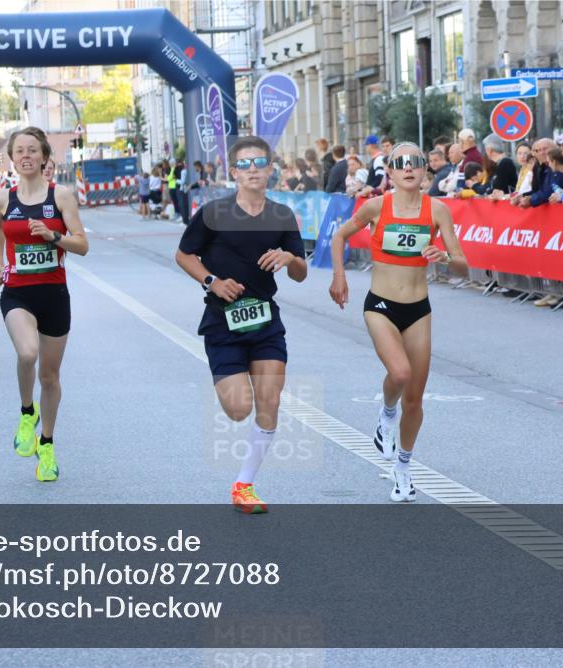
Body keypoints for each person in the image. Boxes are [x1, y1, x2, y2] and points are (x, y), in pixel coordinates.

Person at [328, 142, 468, 503]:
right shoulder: (377, 205)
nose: (409, 169)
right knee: (401, 374)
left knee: (416, 401)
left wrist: (444, 256)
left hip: (418, 309)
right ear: (389, 172)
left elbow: (463, 264)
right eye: (400, 164)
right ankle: (385, 413)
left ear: (425, 172)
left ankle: (403, 468)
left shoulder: (437, 210)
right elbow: (340, 235)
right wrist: (339, 277)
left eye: (416, 163)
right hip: (381, 306)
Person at [175, 136, 307, 514]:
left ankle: (244, 485)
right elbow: (184, 255)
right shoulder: (214, 213)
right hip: (223, 322)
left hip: (265, 320)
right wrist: (211, 281)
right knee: (238, 409)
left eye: (259, 162)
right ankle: (230, 380)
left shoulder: (282, 216)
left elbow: (300, 272)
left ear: (270, 169)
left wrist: (288, 257)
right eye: (244, 164)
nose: (252, 170)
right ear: (233, 172)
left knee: (270, 402)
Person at [0, 127, 88, 483]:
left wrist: (54, 236)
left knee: (50, 376)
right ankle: (25, 412)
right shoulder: (2, 199)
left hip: (54, 295)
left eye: (33, 150)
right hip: (17, 292)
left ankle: (46, 444)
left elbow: (82, 244)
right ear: (12, 159)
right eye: (20, 151)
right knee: (27, 353)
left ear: (44, 157)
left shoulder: (61, 196)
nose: (26, 155)